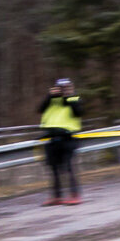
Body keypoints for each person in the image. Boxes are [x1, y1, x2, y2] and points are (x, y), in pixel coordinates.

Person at [38, 77, 83, 205]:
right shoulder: (51, 101)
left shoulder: (74, 99)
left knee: (69, 168)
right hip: (52, 139)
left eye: (66, 88)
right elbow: (40, 109)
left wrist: (67, 96)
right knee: (53, 169)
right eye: (61, 88)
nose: (63, 90)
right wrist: (49, 96)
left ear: (71, 88)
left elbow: (78, 112)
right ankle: (57, 196)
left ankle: (75, 195)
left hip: (68, 138)